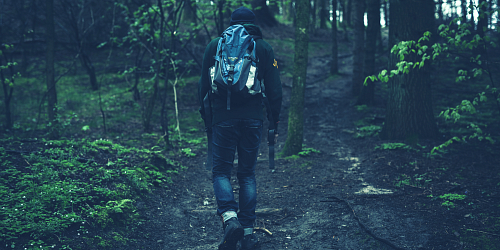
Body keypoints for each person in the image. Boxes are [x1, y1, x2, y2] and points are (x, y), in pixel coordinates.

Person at [198, 6, 282, 250]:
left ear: (231, 23)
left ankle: (229, 217)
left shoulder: (215, 46)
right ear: (254, 24)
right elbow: (275, 92)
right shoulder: (264, 48)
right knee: (246, 174)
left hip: (222, 119)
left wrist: (208, 120)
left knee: (221, 172)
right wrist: (273, 122)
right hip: (253, 119)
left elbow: (203, 88)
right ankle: (247, 233)